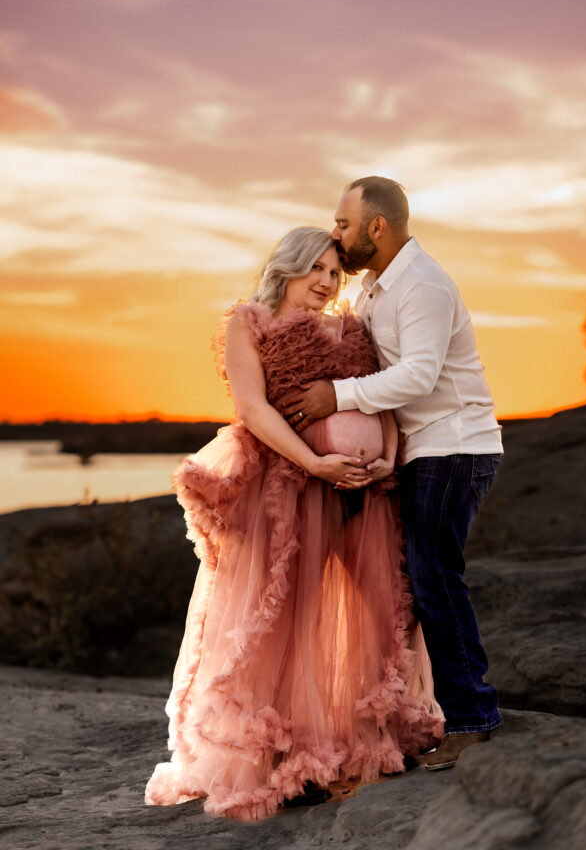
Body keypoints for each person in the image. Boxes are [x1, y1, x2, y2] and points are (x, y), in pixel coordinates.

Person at [145, 226, 443, 821]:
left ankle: (368, 740)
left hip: (365, 487)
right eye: (318, 268)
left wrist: (385, 454)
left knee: (379, 612)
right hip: (290, 486)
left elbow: (374, 398)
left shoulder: (351, 327)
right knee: (284, 617)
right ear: (290, 266)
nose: (328, 281)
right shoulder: (249, 322)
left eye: (336, 273)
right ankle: (279, 757)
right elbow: (252, 408)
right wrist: (313, 462)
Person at [283, 179, 503, 770]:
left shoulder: (422, 284)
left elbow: (419, 377)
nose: (336, 234)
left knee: (435, 578)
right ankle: (441, 713)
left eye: (344, 224)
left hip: (454, 448)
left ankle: (474, 717)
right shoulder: (374, 291)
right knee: (420, 580)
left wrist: (335, 396)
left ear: (377, 227)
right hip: (420, 450)